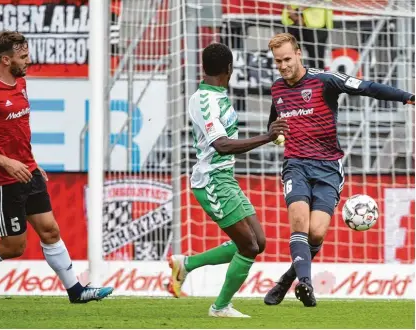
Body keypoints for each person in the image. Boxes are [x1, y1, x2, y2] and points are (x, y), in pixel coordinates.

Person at [0, 31, 114, 303]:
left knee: (50, 230)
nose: (28, 61)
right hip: (1, 180)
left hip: (28, 171)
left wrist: (32, 163)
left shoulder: (20, 84)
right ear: (5, 59)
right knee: (13, 247)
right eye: (23, 57)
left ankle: (76, 291)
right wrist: (7, 162)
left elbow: (14, 133)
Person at [264, 33, 414, 307]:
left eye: (287, 59)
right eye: (277, 61)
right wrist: (274, 134)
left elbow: (367, 87)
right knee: (299, 223)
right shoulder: (277, 89)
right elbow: (272, 124)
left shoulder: (324, 81)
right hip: (295, 164)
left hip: (328, 167)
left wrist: (407, 97)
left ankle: (286, 280)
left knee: (316, 234)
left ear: (299, 54)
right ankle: (306, 285)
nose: (283, 66)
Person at [167, 43, 289, 318]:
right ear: (230, 69)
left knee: (258, 241)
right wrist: (267, 137)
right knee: (248, 246)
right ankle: (220, 307)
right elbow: (221, 145)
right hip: (212, 181)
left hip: (225, 178)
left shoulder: (216, 94)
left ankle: (185, 264)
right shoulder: (205, 100)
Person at [282, 2, 333, 69]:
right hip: (292, 21)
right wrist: (293, 14)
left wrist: (297, 11)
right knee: (291, 58)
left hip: (316, 22)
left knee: (316, 61)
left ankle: (316, 79)